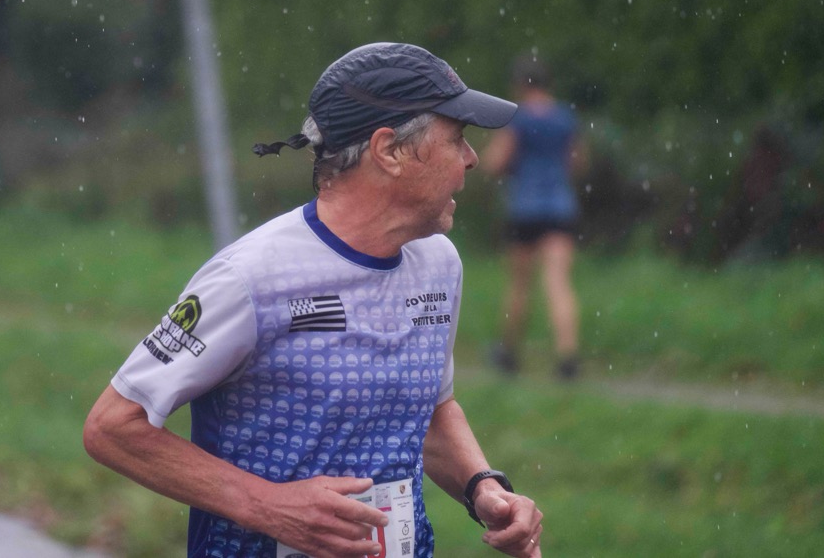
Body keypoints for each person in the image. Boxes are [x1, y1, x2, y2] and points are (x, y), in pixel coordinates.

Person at [83, 43, 544, 558]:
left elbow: (430, 413)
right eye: (456, 138)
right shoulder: (251, 277)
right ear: (389, 150)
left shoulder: (439, 264)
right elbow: (112, 427)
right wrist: (267, 506)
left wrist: (483, 487)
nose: (472, 159)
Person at [479, 53, 583, 381]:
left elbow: (496, 161)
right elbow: (576, 162)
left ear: (519, 85)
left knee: (520, 285)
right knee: (558, 282)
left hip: (525, 208)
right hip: (560, 207)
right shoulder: (565, 117)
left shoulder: (518, 119)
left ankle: (509, 353)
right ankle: (567, 356)